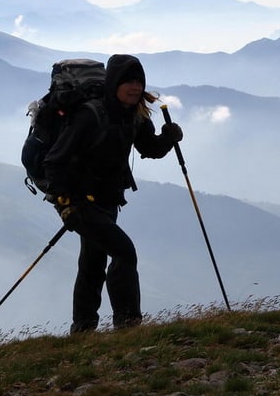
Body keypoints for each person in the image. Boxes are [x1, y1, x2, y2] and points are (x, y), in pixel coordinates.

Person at [42, 54, 182, 332]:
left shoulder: (134, 114)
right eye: (128, 81)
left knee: (93, 263)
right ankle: (128, 324)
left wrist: (168, 138)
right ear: (115, 82)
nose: (135, 87)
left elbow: (149, 149)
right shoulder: (90, 115)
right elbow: (54, 162)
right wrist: (65, 204)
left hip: (106, 199)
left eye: (139, 81)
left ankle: (83, 331)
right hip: (79, 201)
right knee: (124, 253)